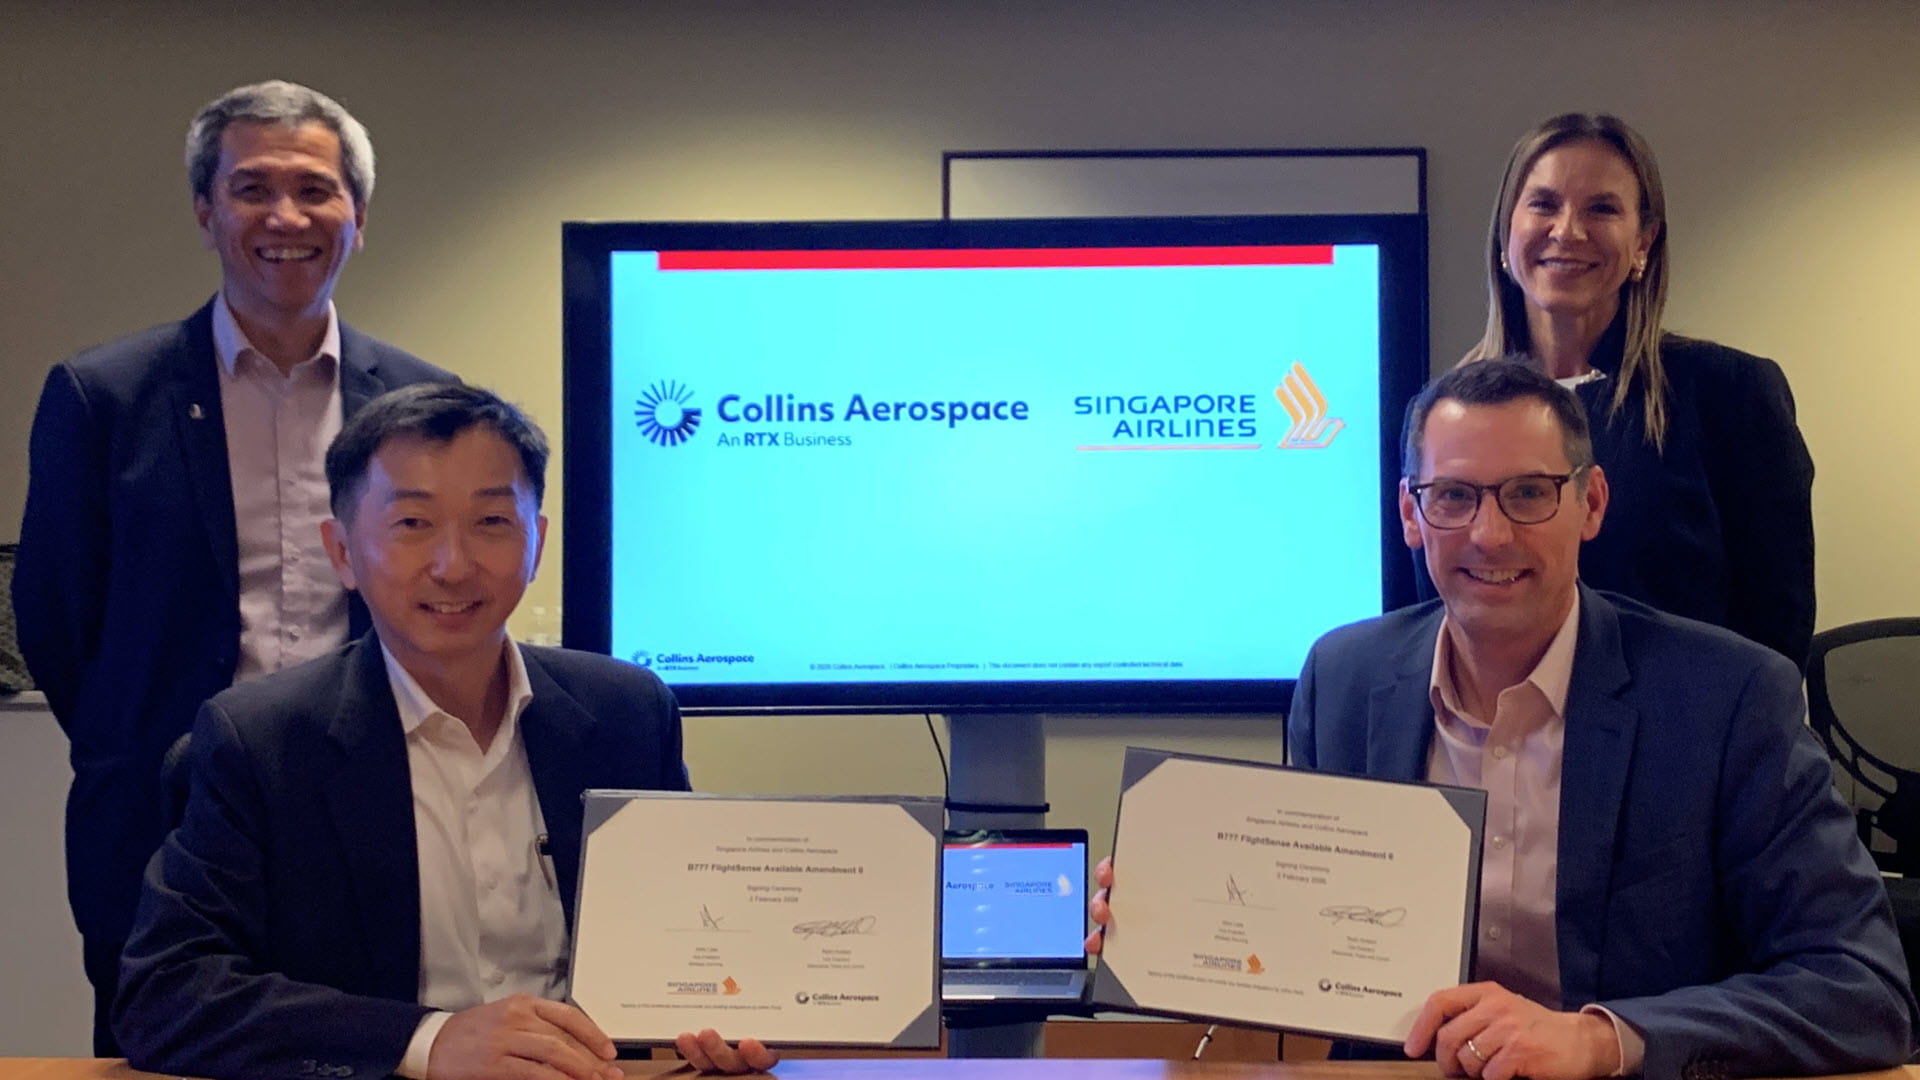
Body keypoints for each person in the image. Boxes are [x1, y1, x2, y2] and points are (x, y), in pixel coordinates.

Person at [1093, 361, 1914, 1079]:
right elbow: (1306, 927)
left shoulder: (1727, 696)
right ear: (1412, 515)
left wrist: (1601, 1040)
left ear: (1590, 504)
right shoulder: (1345, 678)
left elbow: (1861, 990)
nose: (1489, 534)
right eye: (1452, 496)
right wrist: (1169, 926)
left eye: (1528, 493)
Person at [114, 383, 777, 1079]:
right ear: (341, 551)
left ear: (536, 542)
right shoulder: (264, 741)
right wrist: (428, 1041)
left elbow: (689, 933)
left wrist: (726, 1010)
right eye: (412, 525)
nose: (453, 565)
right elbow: (166, 995)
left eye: (492, 521)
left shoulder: (626, 713)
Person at [11, 80, 455, 1053]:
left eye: (315, 189)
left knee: (371, 1048)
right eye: (252, 188)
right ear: (206, 212)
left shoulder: (427, 399)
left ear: (359, 216)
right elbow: (51, 612)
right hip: (160, 819)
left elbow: (437, 599)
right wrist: (140, 740)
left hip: (366, 809)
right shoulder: (105, 397)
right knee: (160, 1053)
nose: (285, 216)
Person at [1457, 112, 1815, 669]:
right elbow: (1431, 616)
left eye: (1601, 208)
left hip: (1682, 742)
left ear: (1643, 242)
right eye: (1544, 204)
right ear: (1507, 236)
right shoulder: (1450, 413)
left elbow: (1775, 636)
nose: (1568, 230)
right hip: (1496, 740)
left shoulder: (1729, 393)